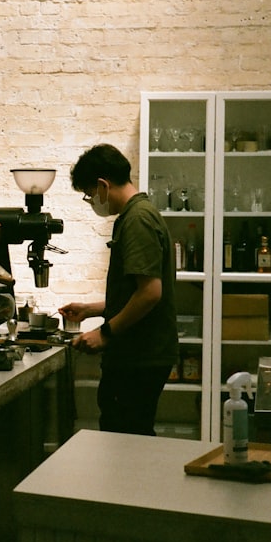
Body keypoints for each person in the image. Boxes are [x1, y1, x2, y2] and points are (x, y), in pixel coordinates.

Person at [59, 144, 179, 435]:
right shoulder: (138, 215)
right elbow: (134, 292)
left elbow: (150, 292)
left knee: (126, 441)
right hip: (141, 354)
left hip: (139, 357)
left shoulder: (138, 220)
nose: (91, 202)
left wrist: (105, 332)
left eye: (89, 195)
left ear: (103, 184)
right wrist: (91, 310)